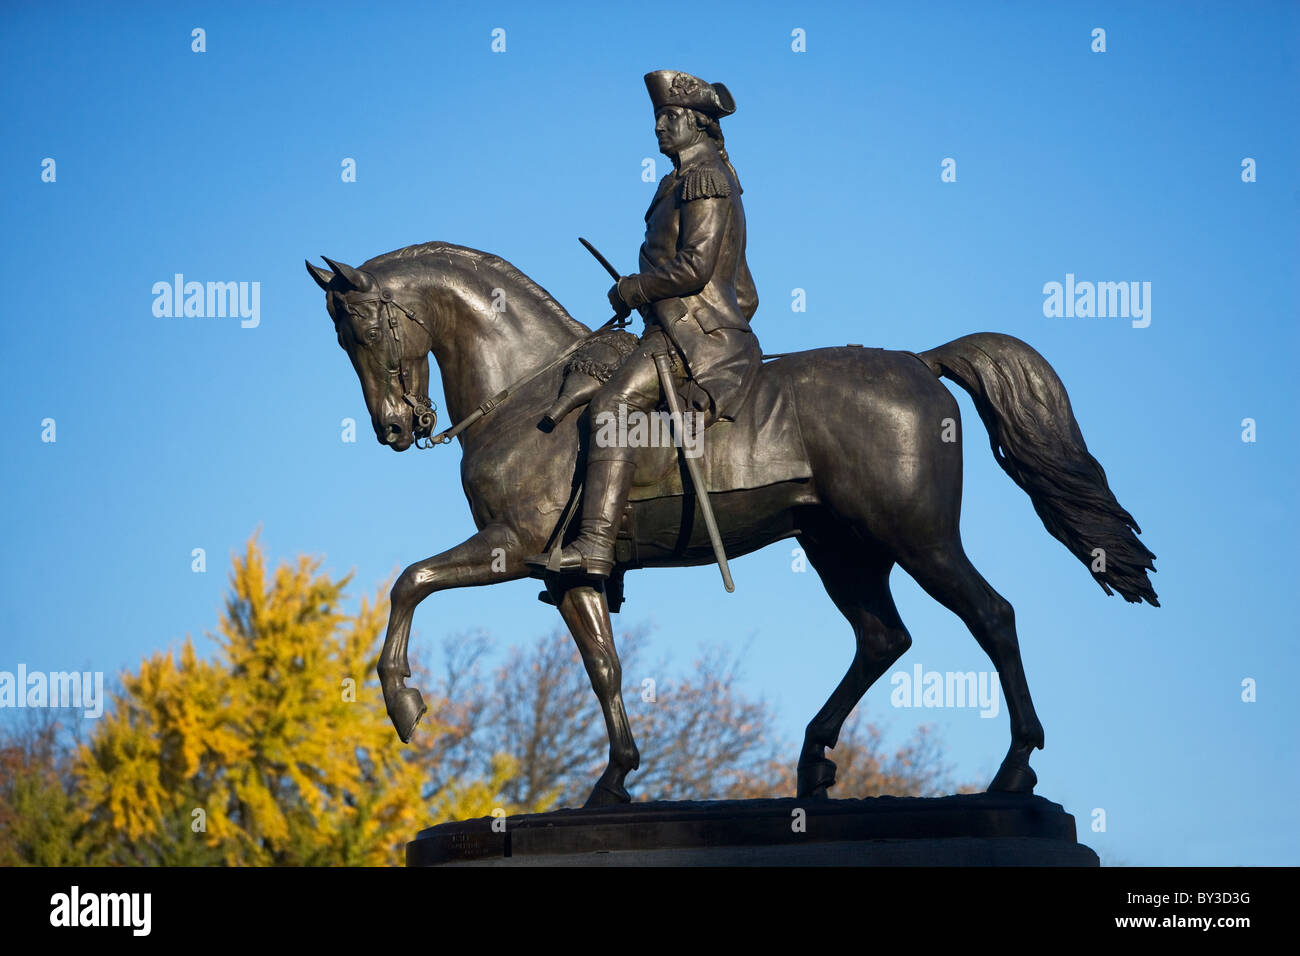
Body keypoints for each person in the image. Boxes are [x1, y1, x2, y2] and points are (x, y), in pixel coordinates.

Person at [528, 69, 761, 578]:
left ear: (697, 124)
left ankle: (593, 545)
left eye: (668, 116)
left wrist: (638, 289)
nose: (658, 127)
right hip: (687, 329)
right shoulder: (684, 181)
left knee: (612, 404)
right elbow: (745, 292)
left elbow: (697, 266)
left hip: (693, 338)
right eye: (657, 117)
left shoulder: (704, 179)